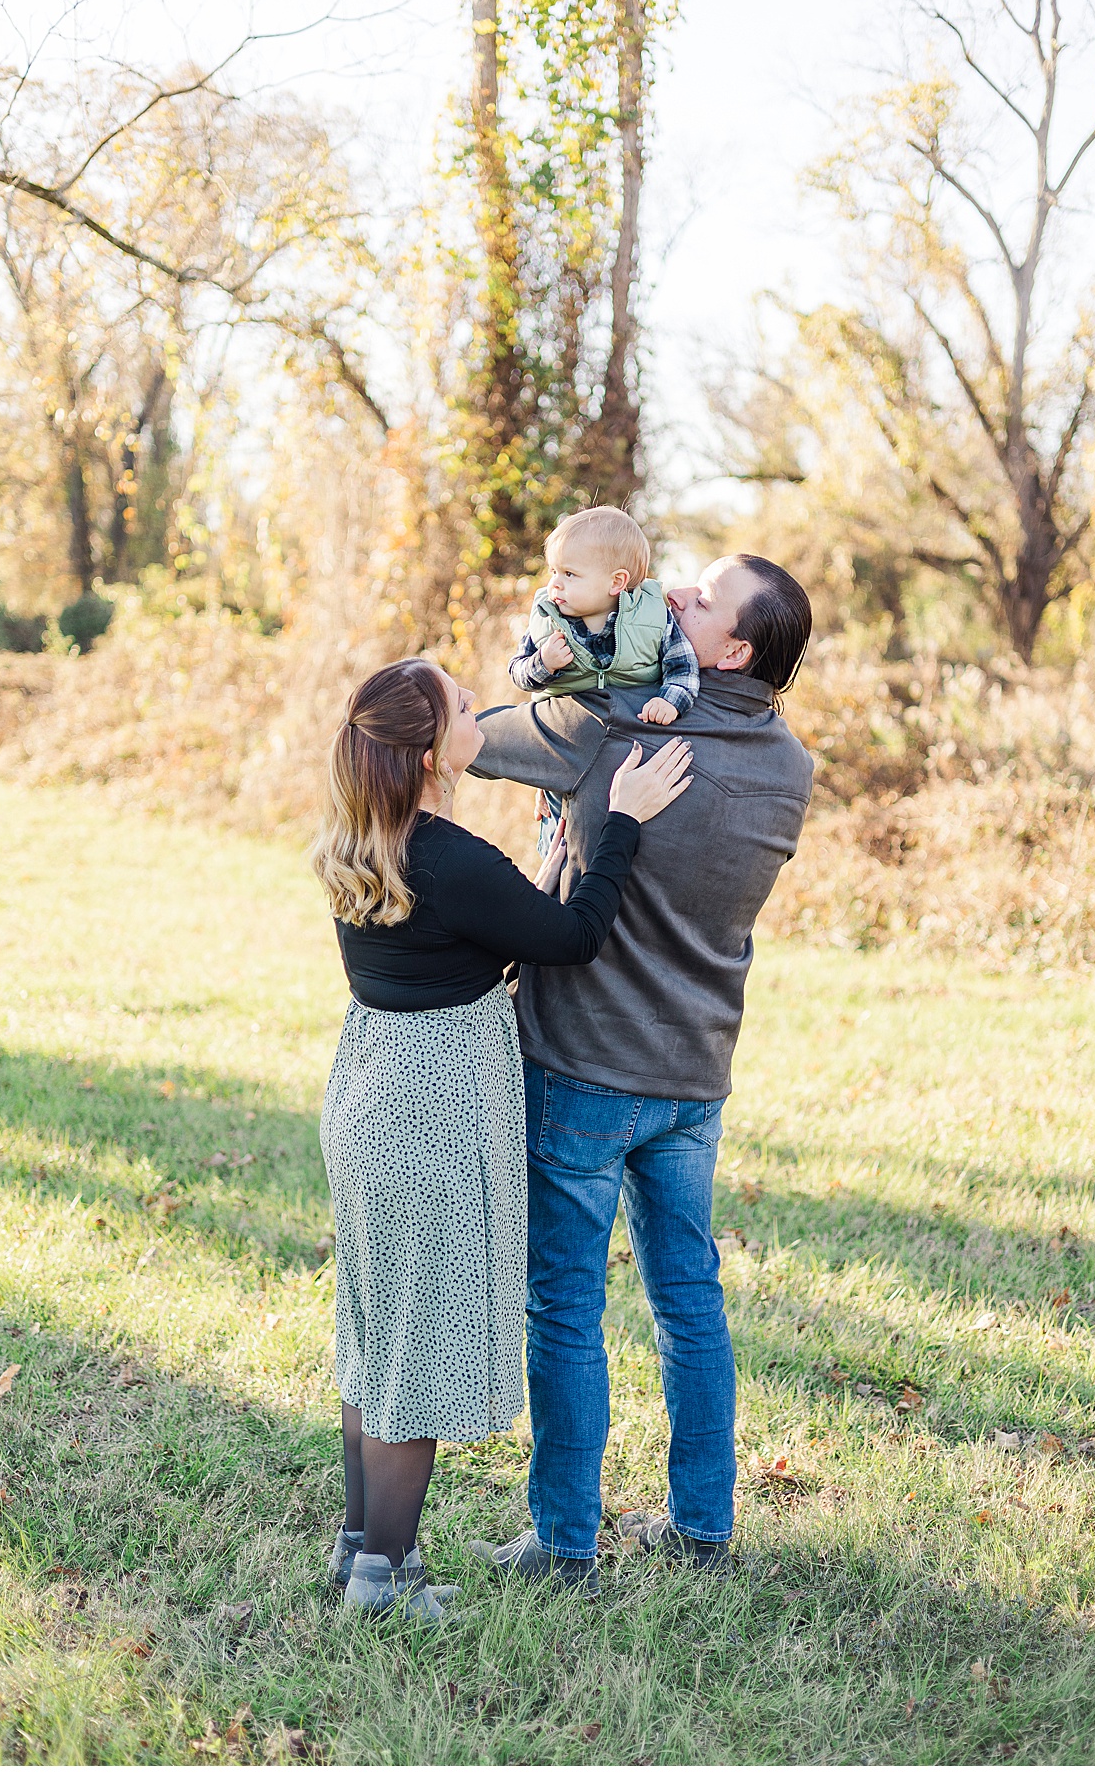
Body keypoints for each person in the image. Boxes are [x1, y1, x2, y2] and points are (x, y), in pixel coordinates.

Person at [310, 657, 694, 1625]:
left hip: (370, 1091)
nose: (481, 708)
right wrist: (623, 823)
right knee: (421, 1354)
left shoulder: (366, 838)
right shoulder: (449, 857)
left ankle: (360, 1545)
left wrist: (552, 856)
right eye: (458, 704)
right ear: (436, 752)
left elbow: (477, 932)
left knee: (378, 1336)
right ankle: (383, 1582)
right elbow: (571, 937)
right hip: (433, 1112)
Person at [466, 554, 813, 1594]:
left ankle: (564, 1542)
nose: (676, 597)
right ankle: (703, 1524)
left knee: (565, 1306)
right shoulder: (793, 763)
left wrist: (555, 656)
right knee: (689, 1300)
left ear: (735, 648)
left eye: (702, 599)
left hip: (583, 1064)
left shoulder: (613, 726)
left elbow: (469, 742)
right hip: (696, 1072)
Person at [509, 505, 700, 856]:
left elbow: (684, 668)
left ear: (616, 582)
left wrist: (669, 699)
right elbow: (519, 673)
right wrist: (543, 663)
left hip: (630, 753)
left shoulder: (655, 619)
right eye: (554, 570)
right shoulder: (548, 620)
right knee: (560, 841)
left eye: (569, 573)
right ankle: (556, 886)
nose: (554, 583)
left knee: (619, 839)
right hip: (564, 745)